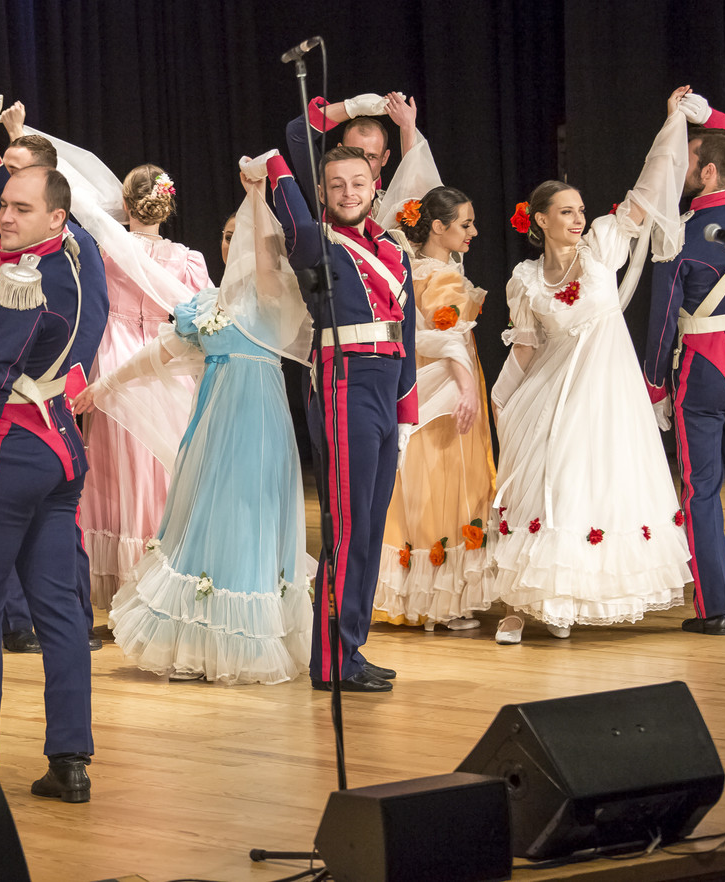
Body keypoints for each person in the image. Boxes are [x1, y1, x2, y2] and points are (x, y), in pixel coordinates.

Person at [77, 161, 313, 683]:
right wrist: (104, 385)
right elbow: (159, 354)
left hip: (258, 428)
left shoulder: (274, 301)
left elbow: (268, 259)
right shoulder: (207, 304)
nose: (235, 245)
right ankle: (198, 640)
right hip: (211, 427)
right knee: (201, 520)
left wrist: (257, 197)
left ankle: (248, 641)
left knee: (249, 520)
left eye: (244, 238)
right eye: (227, 237)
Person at [487, 87, 695, 643]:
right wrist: (499, 398)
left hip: (607, 392)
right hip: (553, 390)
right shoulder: (525, 279)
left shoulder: (603, 246)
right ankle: (523, 603)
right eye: (566, 211)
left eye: (580, 210)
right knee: (547, 484)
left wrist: (671, 123)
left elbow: (646, 192)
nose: (578, 218)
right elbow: (525, 347)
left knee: (592, 485)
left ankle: (566, 600)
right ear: (541, 220)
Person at [0, 111, 105, 802]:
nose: (3, 216)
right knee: (60, 609)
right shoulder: (81, 249)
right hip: (62, 442)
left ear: (54, 216)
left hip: (9, 445)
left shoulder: (24, 280)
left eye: (19, 209)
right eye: (3, 204)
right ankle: (70, 761)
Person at [265, 141, 417, 693]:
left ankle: (350, 647)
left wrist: (407, 411)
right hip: (341, 384)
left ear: (375, 186)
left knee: (371, 527)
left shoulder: (394, 248)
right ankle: (330, 662)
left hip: (384, 388)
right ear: (321, 193)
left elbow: (408, 334)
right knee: (347, 529)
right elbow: (291, 201)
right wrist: (273, 164)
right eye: (335, 185)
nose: (349, 193)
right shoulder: (314, 242)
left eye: (358, 183)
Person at [641, 92, 725, 635]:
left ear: (710, 170)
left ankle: (715, 610)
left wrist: (654, 386)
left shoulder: (679, 233)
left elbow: (662, 321)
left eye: (689, 159)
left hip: (703, 372)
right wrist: (709, 114)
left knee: (700, 489)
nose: (680, 168)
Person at [371, 94, 495, 631]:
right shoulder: (439, 275)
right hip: (444, 385)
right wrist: (467, 389)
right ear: (439, 228)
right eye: (464, 225)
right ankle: (440, 603)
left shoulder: (413, 266)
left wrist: (410, 133)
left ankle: (420, 600)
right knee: (447, 479)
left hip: (424, 382)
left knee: (420, 482)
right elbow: (446, 341)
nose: (472, 233)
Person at [77, 165, 209, 606]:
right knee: (160, 464)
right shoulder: (186, 259)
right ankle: (157, 573)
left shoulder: (105, 249)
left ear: (125, 204)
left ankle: (119, 578)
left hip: (113, 354)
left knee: (116, 466)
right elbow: (205, 311)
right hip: (161, 356)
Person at [285, 93, 395, 200]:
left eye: (371, 157)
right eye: (354, 154)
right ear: (340, 151)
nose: (363, 164)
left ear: (384, 158)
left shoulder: (397, 195)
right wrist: (351, 108)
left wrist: (404, 125)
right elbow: (298, 132)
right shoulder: (326, 187)